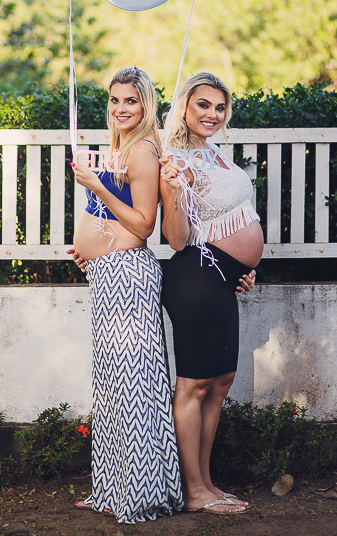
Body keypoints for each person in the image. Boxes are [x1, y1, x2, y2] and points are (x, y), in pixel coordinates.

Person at [66, 66, 182, 524]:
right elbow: (109, 218)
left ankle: (142, 490)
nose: (120, 109)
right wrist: (88, 247)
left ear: (146, 104)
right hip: (107, 273)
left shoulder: (144, 151)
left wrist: (96, 186)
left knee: (136, 386)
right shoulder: (119, 148)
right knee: (114, 384)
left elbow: (142, 225)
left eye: (130, 101)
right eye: (114, 100)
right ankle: (115, 487)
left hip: (129, 277)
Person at [159, 72, 263, 515]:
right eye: (203, 105)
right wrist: (173, 187)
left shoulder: (215, 153)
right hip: (196, 276)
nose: (212, 114)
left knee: (221, 382)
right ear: (185, 105)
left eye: (219, 107)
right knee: (195, 384)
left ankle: (205, 482)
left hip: (225, 276)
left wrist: (247, 267)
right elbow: (177, 238)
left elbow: (236, 218)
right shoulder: (175, 157)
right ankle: (193, 490)